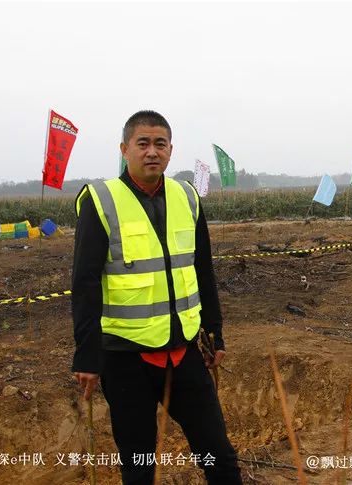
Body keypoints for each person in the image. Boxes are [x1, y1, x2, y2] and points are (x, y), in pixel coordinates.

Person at [71, 110, 242, 484]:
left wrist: (214, 332)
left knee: (218, 455)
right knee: (140, 464)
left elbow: (202, 269)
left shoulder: (187, 197)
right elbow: (84, 283)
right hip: (125, 358)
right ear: (125, 149)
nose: (152, 152)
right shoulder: (102, 200)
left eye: (160, 144)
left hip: (184, 353)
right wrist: (87, 355)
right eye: (143, 143)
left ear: (170, 150)